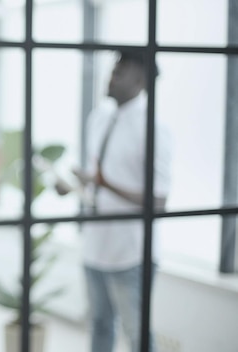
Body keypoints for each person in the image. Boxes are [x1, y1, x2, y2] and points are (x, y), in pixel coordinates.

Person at [55, 50, 172, 352]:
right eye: (112, 70)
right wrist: (74, 186)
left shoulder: (154, 128)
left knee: (137, 335)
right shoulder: (100, 118)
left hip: (131, 253)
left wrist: (105, 183)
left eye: (119, 72)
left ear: (139, 79)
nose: (110, 77)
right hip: (95, 248)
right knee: (99, 328)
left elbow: (158, 201)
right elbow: (97, 181)